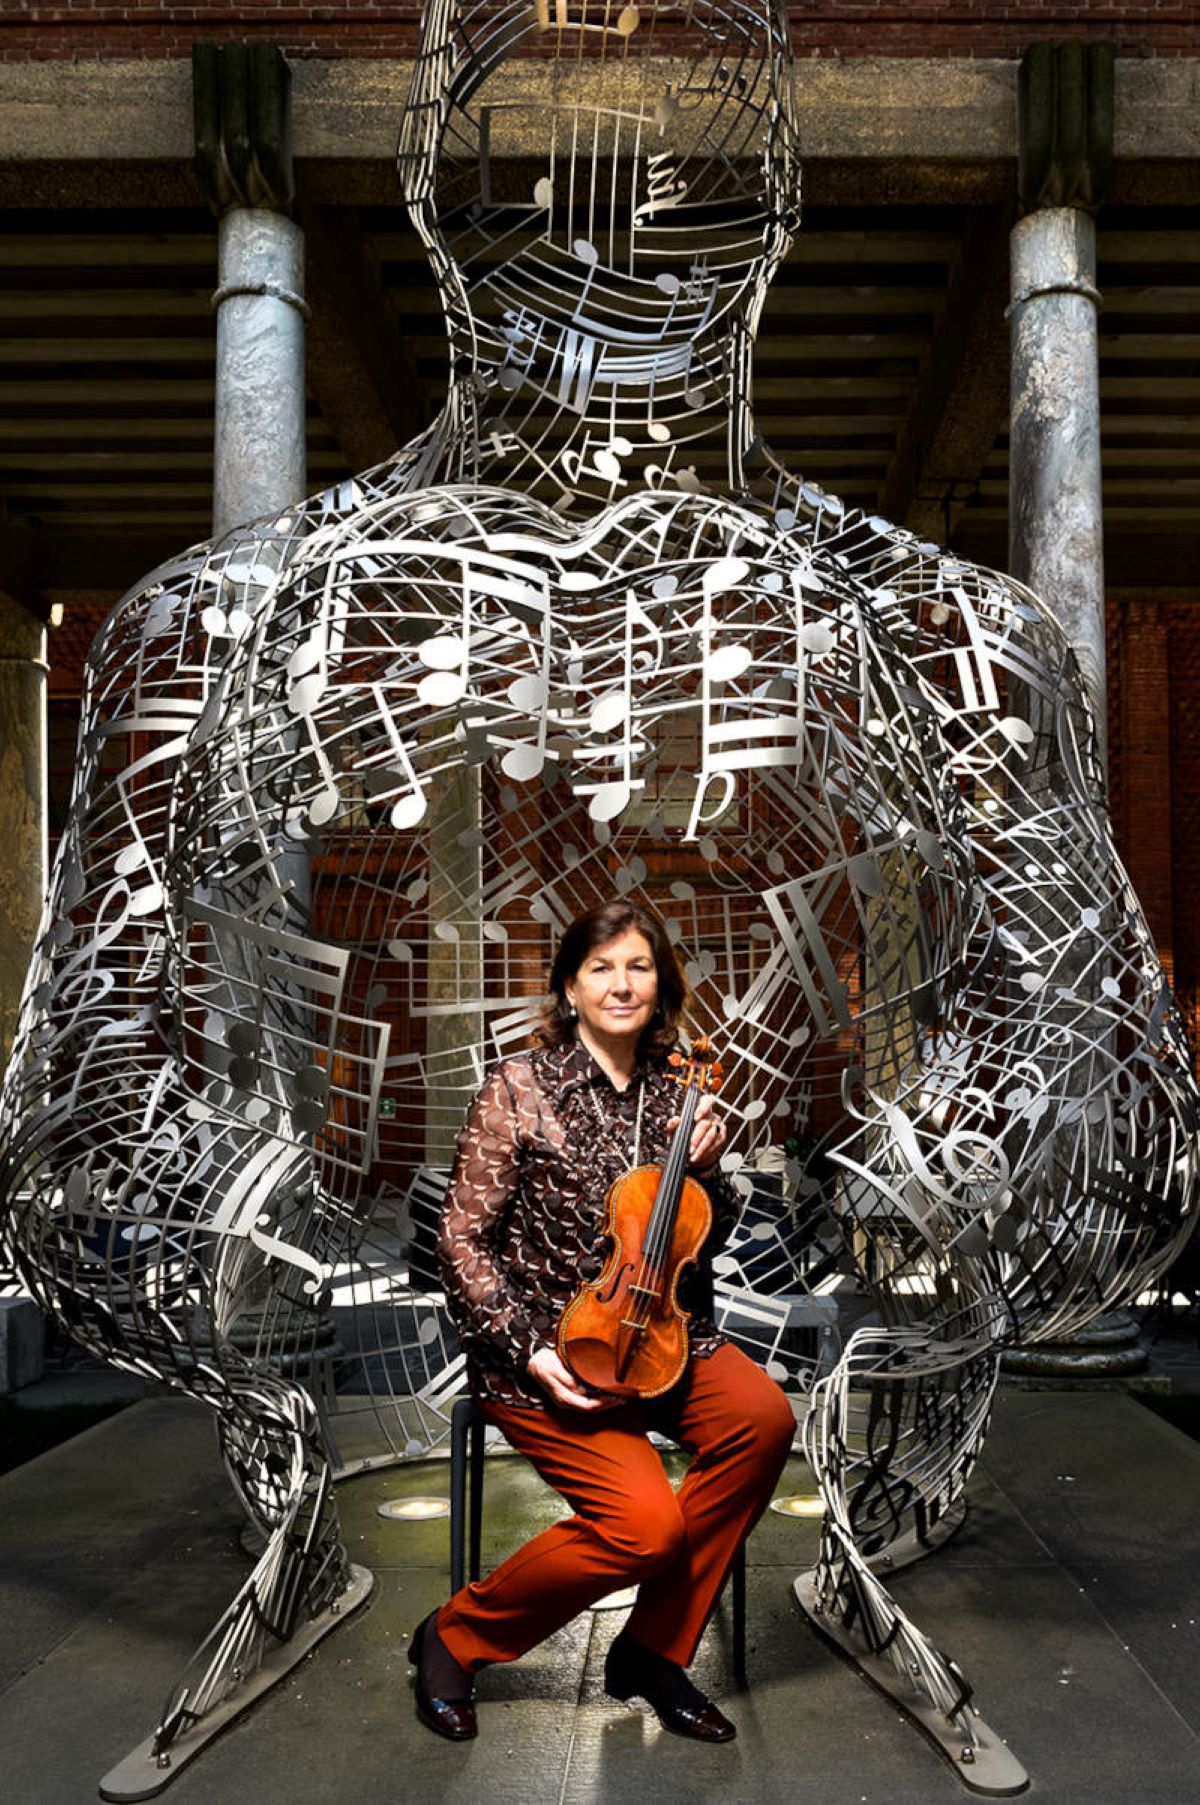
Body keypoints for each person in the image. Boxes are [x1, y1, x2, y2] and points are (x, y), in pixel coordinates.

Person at [410, 899, 796, 1742]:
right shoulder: (519, 1087)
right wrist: (530, 1350)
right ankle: (455, 1635)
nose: (622, 984)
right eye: (602, 968)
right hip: (556, 1355)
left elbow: (700, 1235)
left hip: (663, 1338)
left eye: (639, 967)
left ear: (661, 987)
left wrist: (711, 1166)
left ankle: (652, 1650)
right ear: (569, 987)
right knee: (645, 1528)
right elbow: (461, 1242)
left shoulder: (677, 1095)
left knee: (764, 1420)